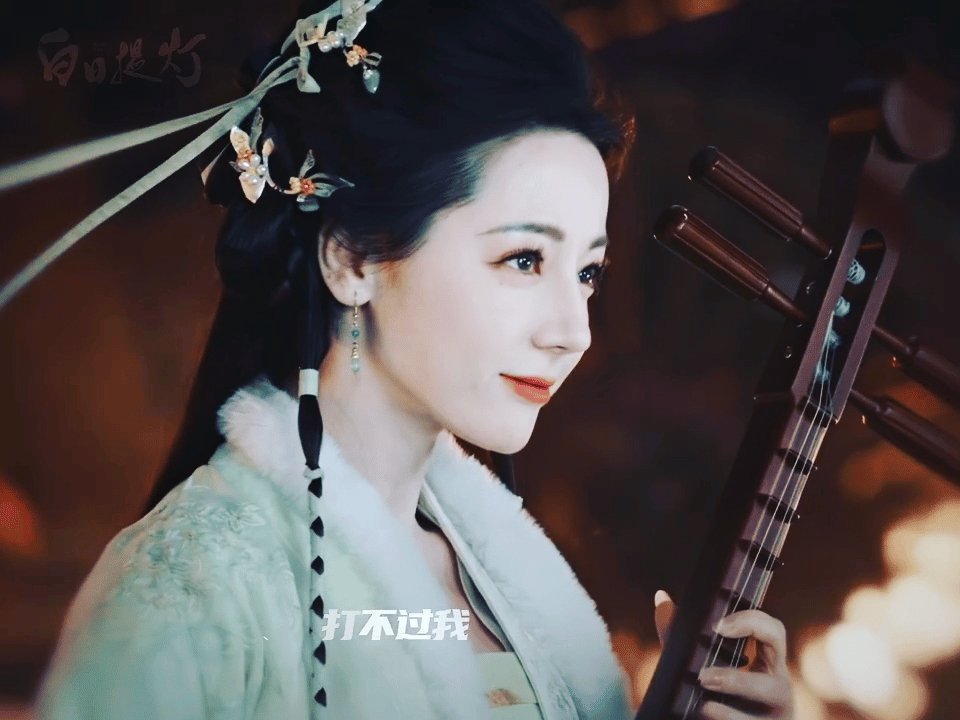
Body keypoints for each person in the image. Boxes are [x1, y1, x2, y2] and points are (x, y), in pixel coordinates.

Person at [6, 0, 795, 718]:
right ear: (353, 259)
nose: (573, 331)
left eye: (587, 272)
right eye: (524, 259)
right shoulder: (193, 586)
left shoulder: (506, 586)